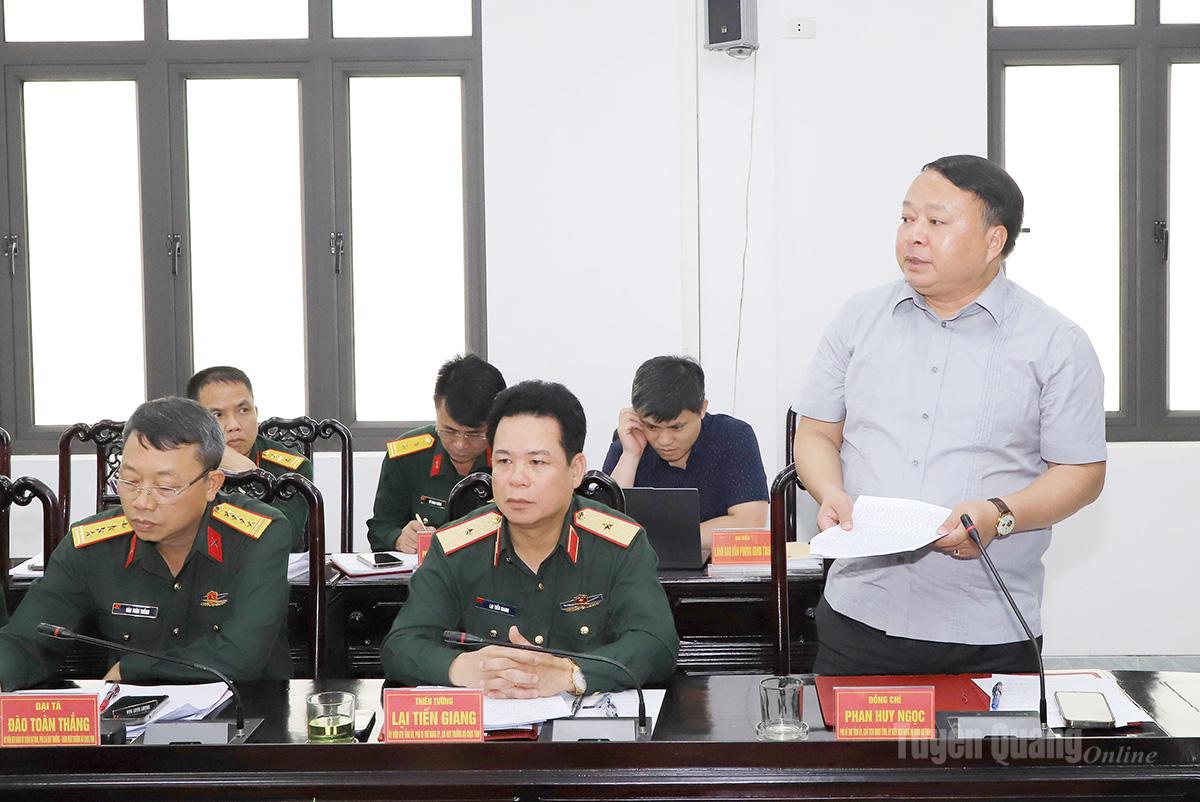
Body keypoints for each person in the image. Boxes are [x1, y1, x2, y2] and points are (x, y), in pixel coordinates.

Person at [794, 154, 1106, 676]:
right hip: (859, 615)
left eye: (936, 222)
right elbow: (816, 435)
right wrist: (830, 492)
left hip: (986, 627)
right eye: (906, 218)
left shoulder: (1056, 343)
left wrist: (999, 514)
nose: (914, 235)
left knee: (984, 737)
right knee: (844, 736)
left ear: (993, 241)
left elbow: (1082, 473)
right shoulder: (858, 319)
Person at [382, 380, 679, 696]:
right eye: (504, 461)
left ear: (575, 469)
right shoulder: (455, 546)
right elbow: (400, 645)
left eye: (537, 462)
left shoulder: (620, 544)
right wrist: (460, 668)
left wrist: (572, 674)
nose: (517, 479)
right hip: (491, 724)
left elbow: (656, 644)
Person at [0, 397, 294, 691]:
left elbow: (242, 656)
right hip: (131, 715)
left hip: (251, 709)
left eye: (165, 487)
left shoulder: (259, 535)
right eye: (129, 481)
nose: (142, 502)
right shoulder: (90, 546)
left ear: (211, 484)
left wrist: (132, 668)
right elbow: (27, 641)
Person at [602, 356, 768, 549]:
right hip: (642, 566)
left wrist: (657, 542)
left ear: (702, 409)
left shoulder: (733, 437)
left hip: (713, 565)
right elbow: (605, 528)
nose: (665, 441)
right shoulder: (630, 443)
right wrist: (631, 455)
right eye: (653, 427)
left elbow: (749, 523)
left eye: (677, 427)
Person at [367, 354, 506, 553]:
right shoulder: (408, 457)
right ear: (436, 405)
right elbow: (380, 528)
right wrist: (398, 538)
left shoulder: (515, 460)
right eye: (449, 430)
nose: (460, 444)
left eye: (475, 434)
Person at [187, 366, 312, 551]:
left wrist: (251, 476)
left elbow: (286, 538)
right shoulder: (182, 464)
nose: (234, 425)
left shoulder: (292, 469)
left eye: (244, 410)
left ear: (256, 412)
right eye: (217, 415)